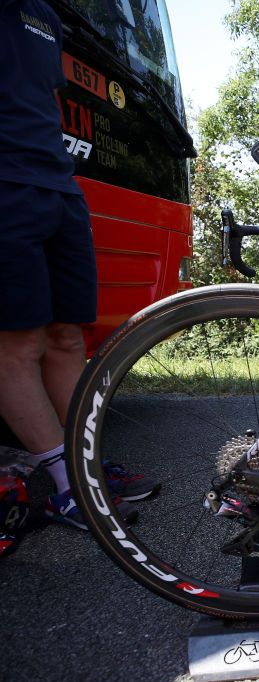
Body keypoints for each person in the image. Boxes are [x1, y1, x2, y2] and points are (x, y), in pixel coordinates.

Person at [0, 0, 157, 529]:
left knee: (69, 335)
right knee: (17, 343)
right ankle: (68, 487)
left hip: (58, 185)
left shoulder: (44, 12)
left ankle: (85, 465)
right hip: (5, 185)